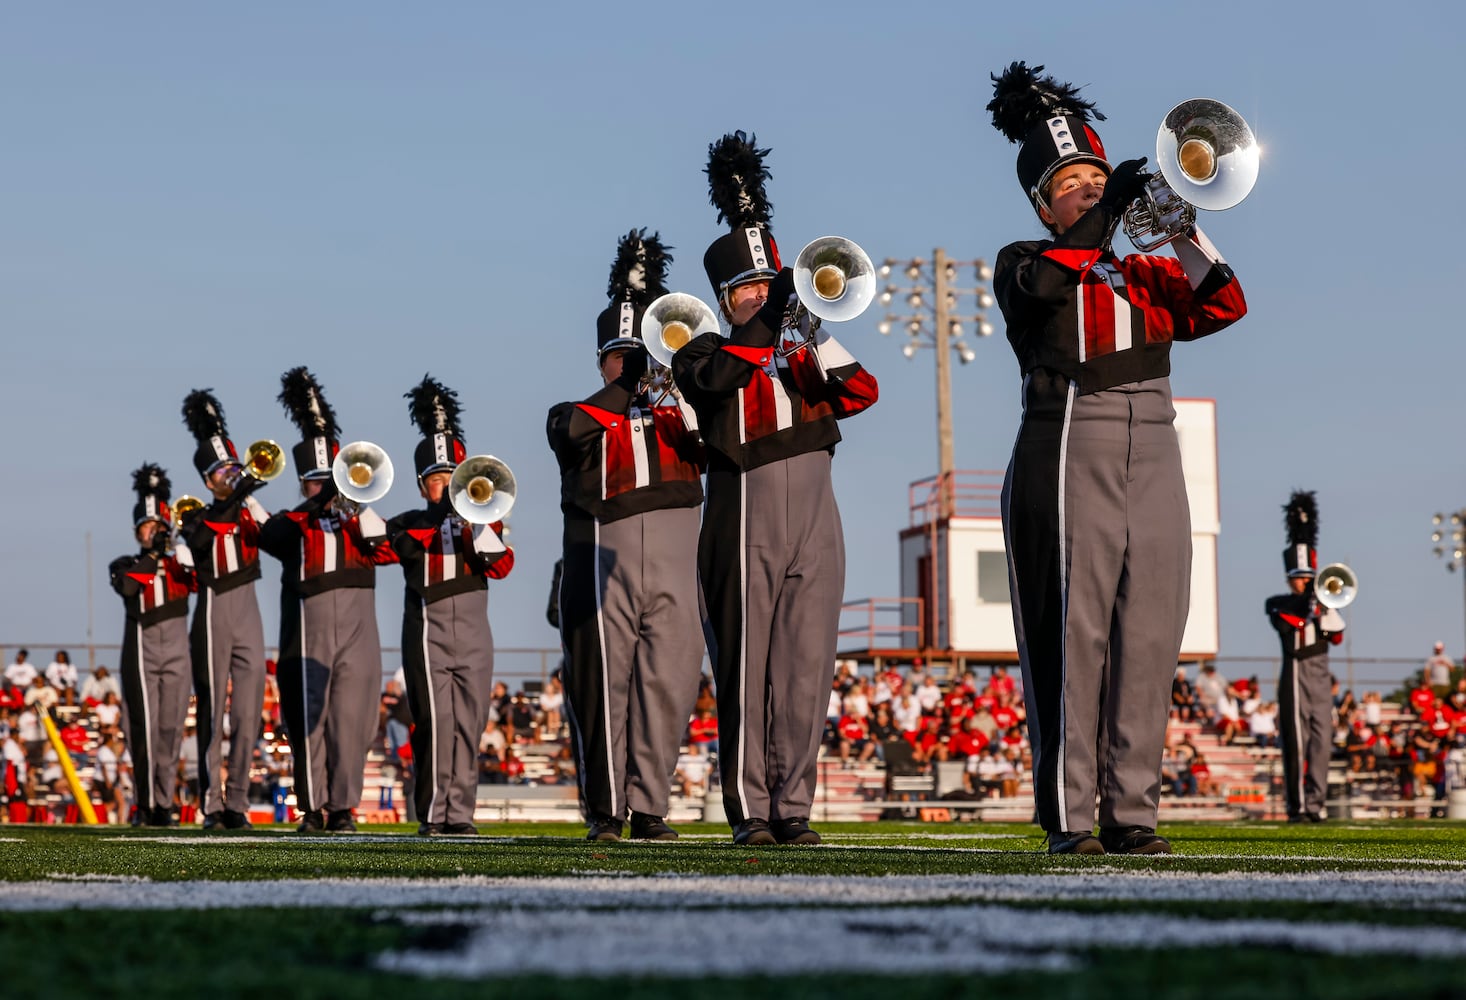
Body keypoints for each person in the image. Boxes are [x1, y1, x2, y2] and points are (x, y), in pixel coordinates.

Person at [987, 63, 1247, 856]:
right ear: (1043, 202)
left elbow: (1223, 302)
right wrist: (1097, 224)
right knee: (1073, 630)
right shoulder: (1023, 257)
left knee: (1149, 632)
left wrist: (1176, 222)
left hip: (1155, 441)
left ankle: (1132, 812)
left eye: (1099, 174)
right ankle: (1070, 817)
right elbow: (1044, 286)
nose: (1090, 188)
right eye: (1073, 181)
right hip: (1070, 434)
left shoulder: (1145, 270)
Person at [672, 132, 878, 846]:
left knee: (806, 665)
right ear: (725, 299)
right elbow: (714, 381)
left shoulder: (802, 341)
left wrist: (809, 326)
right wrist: (769, 319)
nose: (762, 297)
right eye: (748, 290)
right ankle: (750, 808)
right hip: (745, 499)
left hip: (818, 502)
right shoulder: (702, 350)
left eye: (769, 285)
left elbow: (861, 391)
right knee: (747, 661)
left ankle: (794, 806)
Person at [547, 230, 707, 842]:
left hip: (675, 548)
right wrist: (627, 384)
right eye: (618, 354)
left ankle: (649, 806)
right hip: (603, 550)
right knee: (601, 681)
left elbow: (717, 438)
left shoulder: (681, 407)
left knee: (669, 681)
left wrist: (674, 374)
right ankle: (606, 809)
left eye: (637, 352)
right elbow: (572, 435)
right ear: (601, 360)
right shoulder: (576, 411)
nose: (630, 362)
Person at [259, 368, 398, 833]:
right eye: (315, 481)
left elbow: (388, 547)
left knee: (352, 718)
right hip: (309, 622)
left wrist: (356, 499)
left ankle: (343, 807)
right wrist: (317, 505)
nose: (323, 488)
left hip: (359, 620)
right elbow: (270, 536)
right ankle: (313, 806)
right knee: (308, 717)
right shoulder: (294, 520)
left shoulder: (361, 517)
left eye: (328, 479)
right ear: (303, 484)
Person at [386, 376, 514, 837]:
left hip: (475, 628)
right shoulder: (410, 522)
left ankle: (460, 812)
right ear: (423, 486)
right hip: (427, 629)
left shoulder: (482, 522)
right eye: (436, 480)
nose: (444, 487)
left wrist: (478, 520)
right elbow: (396, 547)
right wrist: (443, 516)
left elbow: (500, 566)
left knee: (469, 723)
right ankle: (435, 812)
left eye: (451, 478)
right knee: (435, 722)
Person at [179, 389, 272, 830]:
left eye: (234, 470)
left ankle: (237, 802)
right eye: (222, 472)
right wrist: (233, 500)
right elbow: (198, 541)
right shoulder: (199, 516)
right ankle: (211, 804)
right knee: (213, 709)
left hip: (248, 604)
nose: (231, 477)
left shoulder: (247, 510)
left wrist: (250, 499)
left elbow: (275, 539)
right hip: (214, 605)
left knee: (249, 708)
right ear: (208, 480)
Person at [107, 464, 196, 826]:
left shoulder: (180, 561)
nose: (152, 532)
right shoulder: (126, 563)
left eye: (157, 527)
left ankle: (163, 802)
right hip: (141, 651)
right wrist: (155, 555)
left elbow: (199, 576)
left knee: (171, 730)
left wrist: (177, 547)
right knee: (141, 729)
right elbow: (129, 587)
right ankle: (144, 804)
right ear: (136, 532)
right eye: (146, 527)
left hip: (177, 648)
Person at [1265, 491, 1346, 823]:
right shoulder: (1277, 602)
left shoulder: (1323, 603)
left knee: (1322, 741)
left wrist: (1323, 607)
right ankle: (1296, 806)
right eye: (1298, 577)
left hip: (1320, 675)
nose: (1303, 582)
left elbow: (1336, 636)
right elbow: (1290, 627)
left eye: (1307, 577)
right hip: (1295, 674)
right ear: (1289, 578)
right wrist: (1309, 608)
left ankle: (1317, 804)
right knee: (1296, 743)